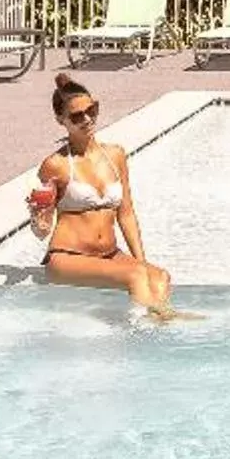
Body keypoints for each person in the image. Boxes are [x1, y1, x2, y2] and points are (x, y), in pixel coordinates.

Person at [27, 76, 180, 318]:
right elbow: (42, 231)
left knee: (159, 276)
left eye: (92, 110)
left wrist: (141, 262)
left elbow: (126, 212)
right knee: (136, 277)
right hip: (68, 257)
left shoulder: (115, 155)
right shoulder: (55, 165)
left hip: (110, 253)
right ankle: (150, 339)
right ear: (61, 120)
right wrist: (38, 219)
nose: (87, 119)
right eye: (77, 116)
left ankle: (158, 328)